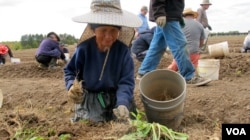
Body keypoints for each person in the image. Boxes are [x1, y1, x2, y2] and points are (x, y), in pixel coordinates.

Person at [64, 0, 142, 122]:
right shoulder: (84, 49)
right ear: (93, 29)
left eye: (113, 31)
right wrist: (70, 86)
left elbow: (126, 81)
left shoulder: (123, 51)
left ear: (119, 30)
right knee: (92, 122)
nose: (108, 36)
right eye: (103, 30)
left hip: (117, 95)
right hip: (92, 97)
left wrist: (122, 102)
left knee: (124, 120)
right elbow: (70, 71)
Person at [137, 0, 212, 86]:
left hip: (169, 15)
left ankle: (144, 71)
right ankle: (188, 76)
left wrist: (178, 17)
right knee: (180, 44)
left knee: (158, 45)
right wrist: (159, 13)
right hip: (168, 16)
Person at [167, 8, 205, 74]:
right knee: (193, 70)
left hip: (181, 52)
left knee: (172, 69)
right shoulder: (200, 25)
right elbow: (201, 42)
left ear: (184, 15)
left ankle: (165, 75)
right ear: (193, 16)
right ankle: (191, 77)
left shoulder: (178, 24)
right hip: (194, 53)